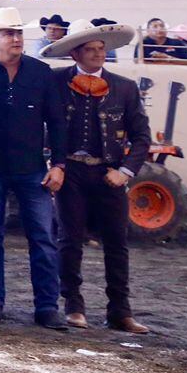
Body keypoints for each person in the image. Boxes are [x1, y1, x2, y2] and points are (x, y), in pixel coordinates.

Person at [41, 20, 152, 334]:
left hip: (109, 172)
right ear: (75, 53)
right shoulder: (55, 81)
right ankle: (73, 306)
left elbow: (141, 137)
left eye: (101, 49)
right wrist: (53, 163)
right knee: (69, 239)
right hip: (70, 169)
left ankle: (120, 311)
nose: (97, 54)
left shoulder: (125, 87)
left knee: (117, 242)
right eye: (89, 49)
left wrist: (125, 171)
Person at [0, 7, 69, 330]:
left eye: (19, 33)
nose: (16, 38)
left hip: (33, 168)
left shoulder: (41, 72)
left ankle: (47, 306)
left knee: (43, 237)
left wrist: (59, 164)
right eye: (9, 33)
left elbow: (56, 121)